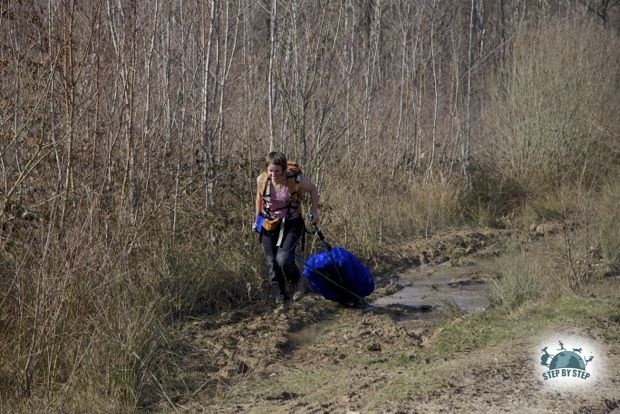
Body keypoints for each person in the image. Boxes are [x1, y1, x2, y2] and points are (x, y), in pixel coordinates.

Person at [255, 151, 319, 305]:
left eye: (277, 171)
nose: (274, 174)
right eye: (270, 170)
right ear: (266, 169)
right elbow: (259, 197)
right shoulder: (262, 180)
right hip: (269, 223)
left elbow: (313, 189)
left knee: (283, 259)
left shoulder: (294, 180)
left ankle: (297, 282)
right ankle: (280, 297)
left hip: (292, 223)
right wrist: (257, 218)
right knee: (271, 262)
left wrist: (314, 211)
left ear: (283, 169)